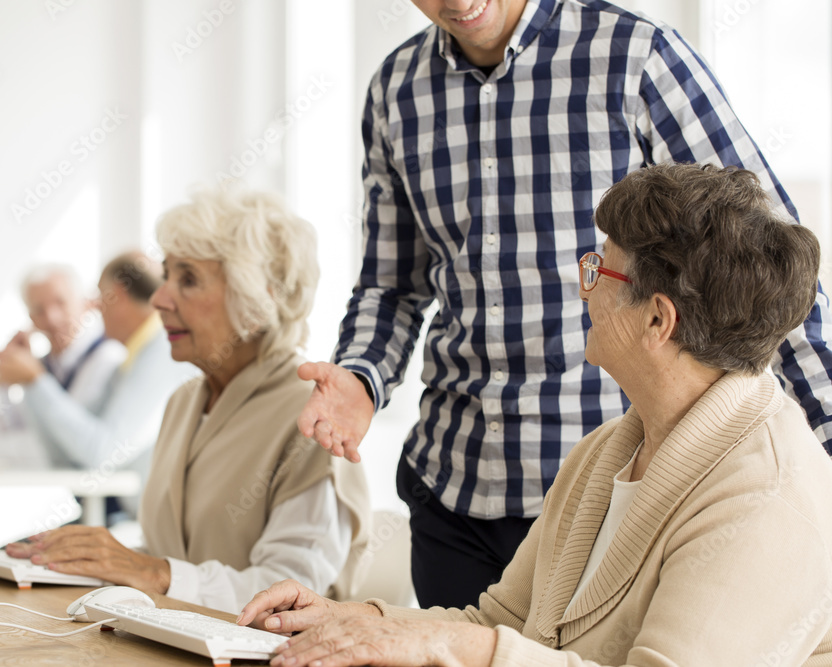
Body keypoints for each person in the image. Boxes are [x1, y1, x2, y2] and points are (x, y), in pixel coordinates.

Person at [298, 0, 832, 608]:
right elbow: (390, 285)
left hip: (605, 493)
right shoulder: (396, 91)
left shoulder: (637, 58)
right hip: (452, 490)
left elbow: (763, 258)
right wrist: (362, 378)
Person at [239, 163, 832, 666]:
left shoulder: (767, 496)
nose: (585, 288)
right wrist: (349, 618)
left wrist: (441, 641)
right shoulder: (604, 455)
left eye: (601, 269)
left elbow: (482, 645)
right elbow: (498, 621)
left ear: (658, 319)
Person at [6, 189, 371, 614]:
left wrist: (150, 571)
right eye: (166, 276)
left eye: (188, 279)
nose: (160, 298)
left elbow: (288, 596)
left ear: (256, 301)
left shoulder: (314, 416)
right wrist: (91, 562)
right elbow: (178, 555)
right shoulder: (185, 402)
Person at [0, 252, 191, 522]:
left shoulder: (162, 351)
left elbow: (100, 453)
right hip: (132, 517)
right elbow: (64, 453)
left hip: (143, 524)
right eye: (38, 309)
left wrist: (36, 380)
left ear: (119, 295)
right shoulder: (130, 360)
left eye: (102, 297)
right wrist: (29, 382)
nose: (97, 307)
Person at [0, 264, 125, 466]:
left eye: (60, 303)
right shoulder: (43, 365)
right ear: (30, 318)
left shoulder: (107, 357)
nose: (52, 319)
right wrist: (5, 381)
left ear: (84, 303)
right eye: (38, 310)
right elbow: (4, 433)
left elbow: (60, 447)